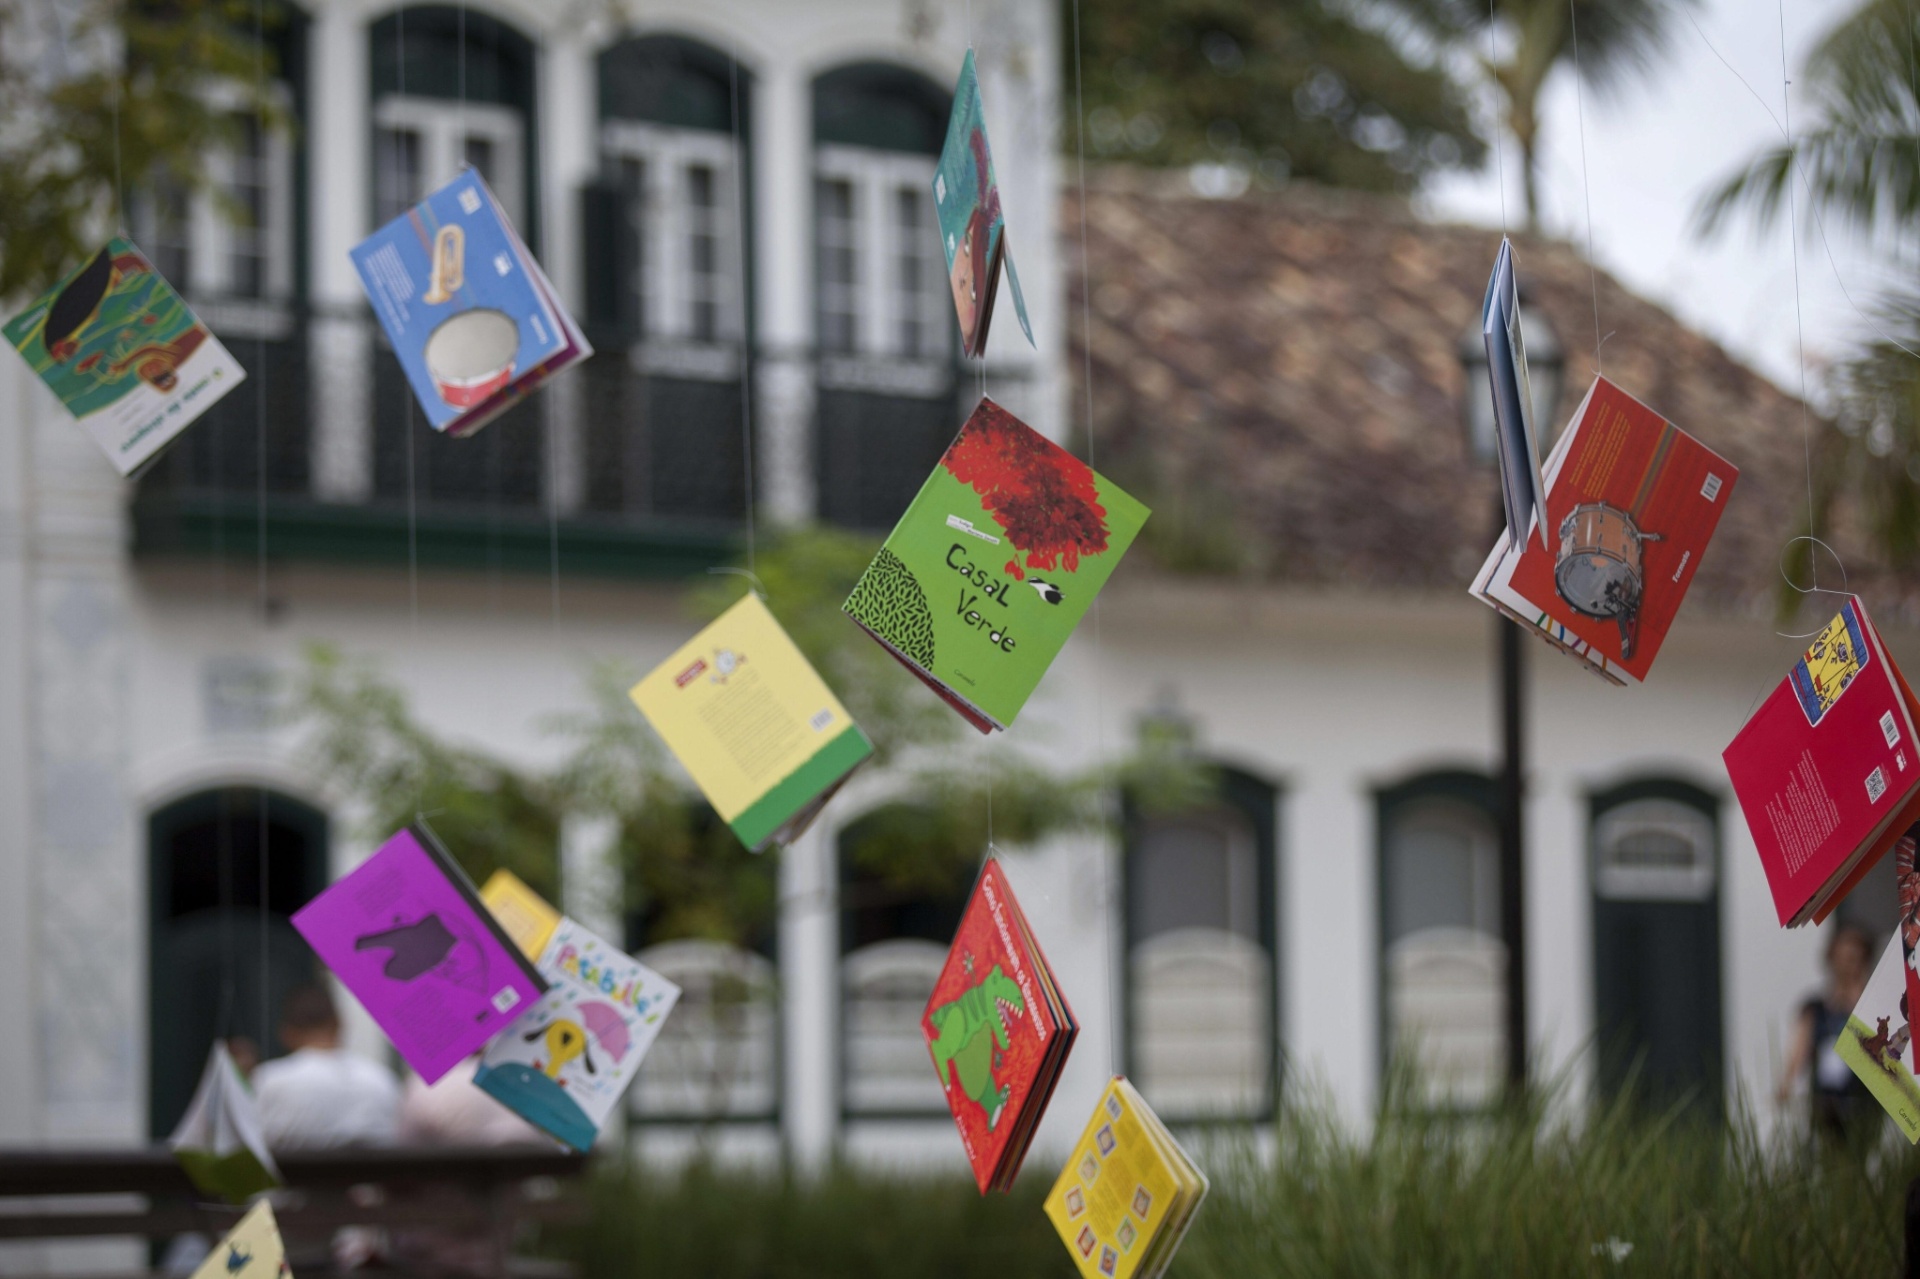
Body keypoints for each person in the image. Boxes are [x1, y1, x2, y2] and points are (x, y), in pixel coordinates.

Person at [251, 983, 401, 1150]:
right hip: (369, 1176)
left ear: (286, 1033)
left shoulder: (268, 1079)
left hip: (295, 1176)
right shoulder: (381, 1079)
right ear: (339, 1024)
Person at [1779, 922, 1876, 1142]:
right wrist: (1786, 1083)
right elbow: (1799, 1050)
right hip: (1826, 1100)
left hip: (1862, 1098)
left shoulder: (1870, 1007)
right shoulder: (1815, 1008)